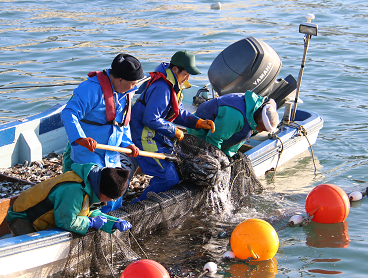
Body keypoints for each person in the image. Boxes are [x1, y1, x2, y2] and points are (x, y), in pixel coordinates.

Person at [61, 53, 145, 212]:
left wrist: (129, 144)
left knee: (116, 192)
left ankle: (111, 223)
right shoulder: (90, 89)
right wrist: (80, 138)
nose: (134, 87)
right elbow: (69, 113)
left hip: (112, 155)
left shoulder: (126, 93)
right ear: (120, 80)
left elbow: (123, 124)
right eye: (133, 84)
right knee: (94, 194)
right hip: (90, 154)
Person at [130, 50, 215, 200]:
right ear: (175, 69)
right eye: (186, 74)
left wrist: (198, 122)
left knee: (175, 169)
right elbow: (150, 119)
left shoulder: (174, 84)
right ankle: (138, 204)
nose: (187, 78)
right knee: (168, 178)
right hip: (144, 134)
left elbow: (177, 111)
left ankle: (151, 192)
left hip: (156, 132)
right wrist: (174, 130)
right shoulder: (162, 87)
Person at [6, 163, 132, 236]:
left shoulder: (90, 185)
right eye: (112, 198)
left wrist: (113, 222)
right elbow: (66, 221)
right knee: (30, 254)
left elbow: (89, 212)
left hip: (44, 220)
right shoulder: (74, 190)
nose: (110, 201)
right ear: (103, 190)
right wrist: (90, 223)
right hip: (23, 218)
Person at [187, 91, 279, 157]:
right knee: (201, 155)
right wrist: (216, 159)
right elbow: (214, 138)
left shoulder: (254, 115)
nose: (260, 131)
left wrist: (228, 156)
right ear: (259, 116)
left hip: (224, 128)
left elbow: (242, 136)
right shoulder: (235, 116)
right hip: (199, 129)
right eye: (262, 128)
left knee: (246, 131)